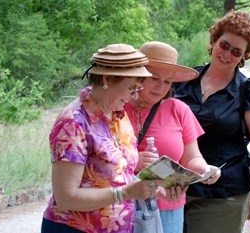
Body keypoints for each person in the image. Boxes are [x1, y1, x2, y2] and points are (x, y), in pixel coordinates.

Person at [41, 43, 168, 233]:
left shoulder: (119, 115)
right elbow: (65, 197)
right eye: (131, 88)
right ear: (107, 79)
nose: (134, 97)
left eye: (138, 88)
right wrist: (126, 193)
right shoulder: (73, 123)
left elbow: (119, 175)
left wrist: (149, 188)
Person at [173, 10, 250, 233]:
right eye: (225, 45)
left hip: (222, 195)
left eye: (237, 51)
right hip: (175, 188)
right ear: (215, 39)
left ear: (244, 56)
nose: (227, 54)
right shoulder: (183, 81)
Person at [124, 41, 221, 233]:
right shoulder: (117, 105)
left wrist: (205, 170)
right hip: (120, 203)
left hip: (168, 205)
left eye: (167, 81)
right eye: (154, 78)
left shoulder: (179, 110)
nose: (160, 87)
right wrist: (132, 160)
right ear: (138, 74)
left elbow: (191, 157)